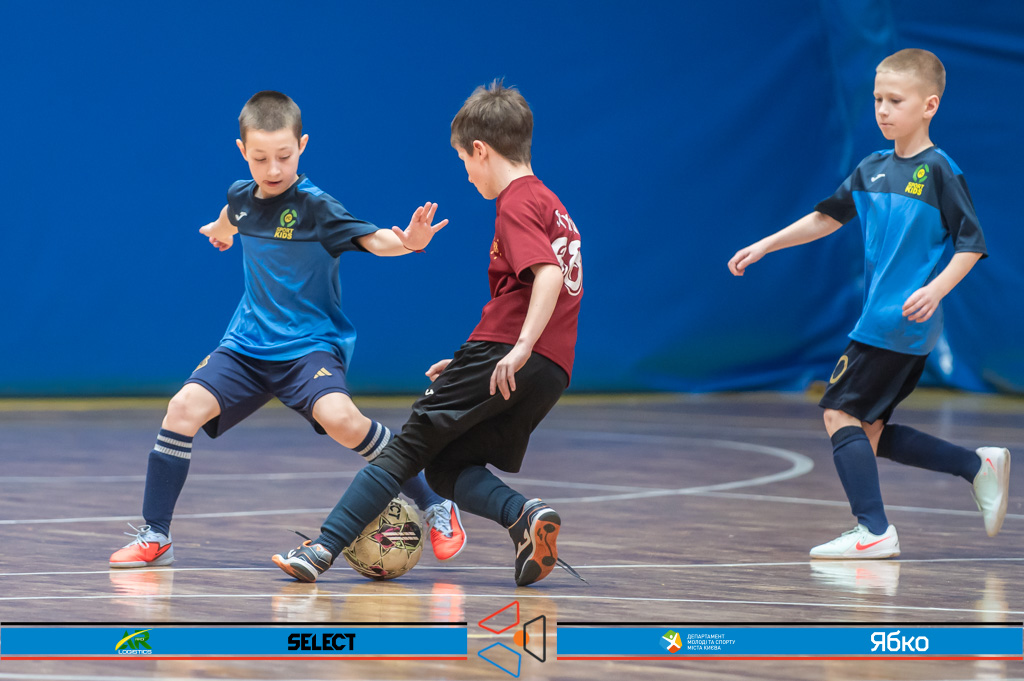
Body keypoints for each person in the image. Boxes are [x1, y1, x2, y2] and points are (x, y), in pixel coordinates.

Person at [109, 91, 466, 569]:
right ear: (243, 151)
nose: (273, 168)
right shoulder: (241, 196)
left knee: (343, 421)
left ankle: (437, 504)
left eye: (284, 155)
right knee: (182, 408)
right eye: (260, 158)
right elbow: (231, 217)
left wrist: (409, 242)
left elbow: (374, 240)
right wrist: (219, 232)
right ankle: (156, 535)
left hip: (309, 348)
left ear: (302, 146)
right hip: (246, 346)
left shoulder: (317, 207)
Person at [272, 80, 585, 587]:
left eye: (464, 160)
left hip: (512, 352)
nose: (467, 173)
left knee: (407, 448)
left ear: (481, 150)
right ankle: (524, 516)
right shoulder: (552, 203)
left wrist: (517, 348)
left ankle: (322, 548)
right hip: (552, 369)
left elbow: (546, 274)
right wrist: (471, 361)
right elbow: (534, 289)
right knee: (446, 466)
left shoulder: (516, 202)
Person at [728, 49, 1010, 559]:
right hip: (882, 320)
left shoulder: (940, 171)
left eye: (895, 100)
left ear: (929, 106)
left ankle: (874, 530)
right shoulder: (872, 168)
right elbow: (827, 218)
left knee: (838, 414)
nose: (882, 109)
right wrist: (767, 244)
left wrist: (936, 289)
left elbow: (971, 244)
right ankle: (976, 467)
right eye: (878, 98)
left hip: (898, 323)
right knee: (869, 433)